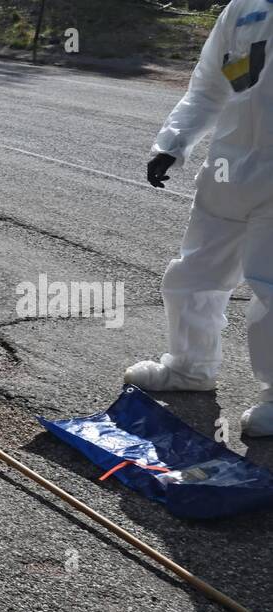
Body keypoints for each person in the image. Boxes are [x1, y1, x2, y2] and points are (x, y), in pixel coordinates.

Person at [128, 0, 273, 437]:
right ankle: (189, 367)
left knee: (269, 286)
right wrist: (174, 142)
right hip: (229, 168)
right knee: (194, 273)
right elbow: (211, 83)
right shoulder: (244, 9)